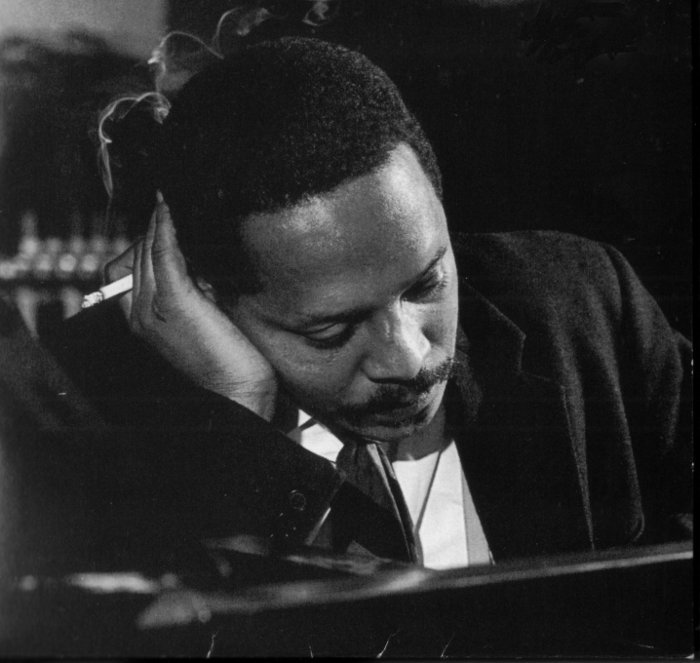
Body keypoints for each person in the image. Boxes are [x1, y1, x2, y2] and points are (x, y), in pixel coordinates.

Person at [44, 37, 692, 569]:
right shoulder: (80, 414)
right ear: (205, 291)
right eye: (332, 330)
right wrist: (237, 415)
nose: (409, 358)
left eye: (426, 285)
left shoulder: (586, 303)